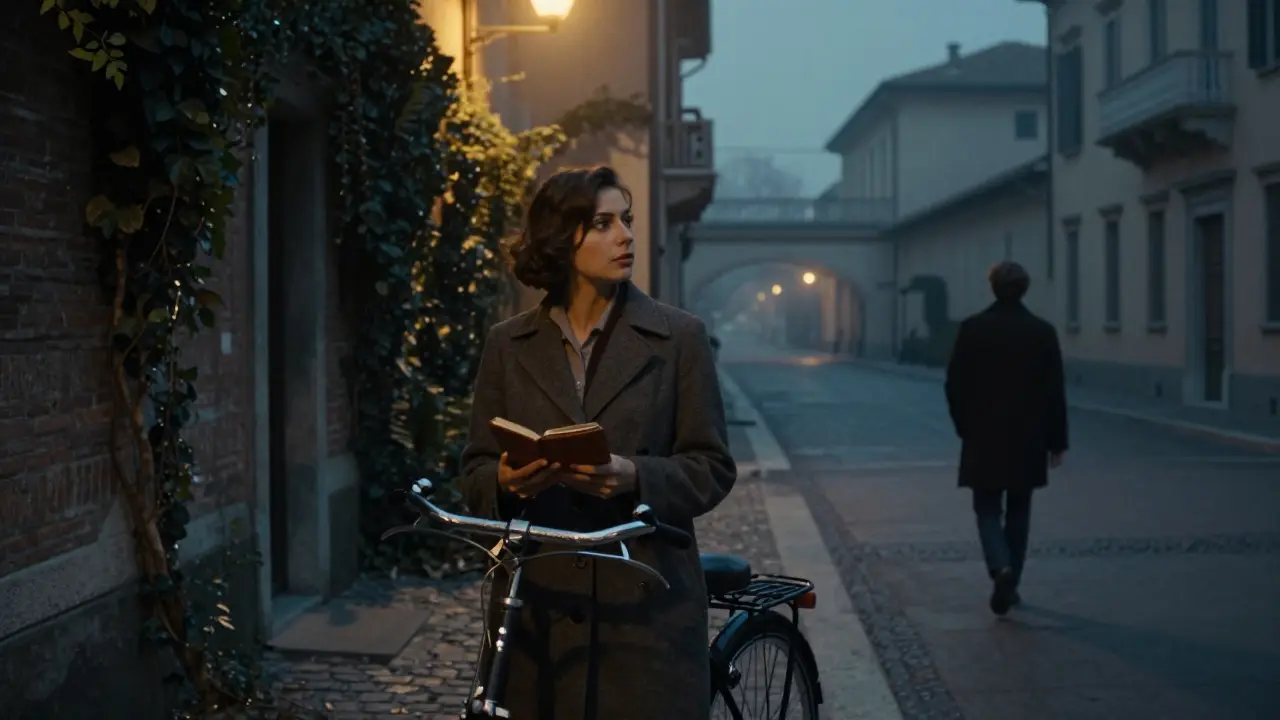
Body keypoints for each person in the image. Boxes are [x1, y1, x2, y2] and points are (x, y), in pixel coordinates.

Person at [459, 165, 736, 719]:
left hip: (644, 606)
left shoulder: (678, 337)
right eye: (603, 223)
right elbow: (474, 471)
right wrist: (506, 481)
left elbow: (711, 466)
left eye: (626, 221)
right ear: (563, 239)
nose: (626, 236)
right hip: (539, 607)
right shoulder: (508, 344)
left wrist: (634, 475)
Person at [944, 261, 1068, 616]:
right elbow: (1054, 391)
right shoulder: (1042, 332)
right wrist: (1057, 441)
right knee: (1019, 508)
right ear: (1024, 289)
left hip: (983, 433)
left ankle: (1001, 568)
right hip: (1028, 436)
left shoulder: (973, 329)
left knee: (985, 507)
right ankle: (1012, 580)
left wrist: (963, 424)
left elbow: (954, 384)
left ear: (992, 287)